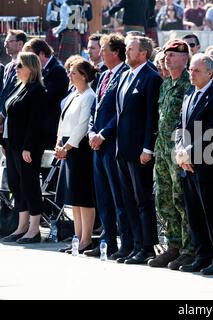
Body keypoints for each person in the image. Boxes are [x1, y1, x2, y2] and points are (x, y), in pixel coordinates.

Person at [175, 53, 213, 275]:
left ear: (210, 73)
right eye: (191, 70)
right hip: (188, 164)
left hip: (208, 164)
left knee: (212, 213)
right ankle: (202, 255)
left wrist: (189, 152)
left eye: (197, 70)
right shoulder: (190, 94)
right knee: (194, 213)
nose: (192, 73)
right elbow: (181, 126)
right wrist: (180, 151)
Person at [115, 36, 162, 264]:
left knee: (143, 199)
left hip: (140, 150)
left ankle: (147, 246)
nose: (126, 51)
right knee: (128, 199)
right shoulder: (125, 75)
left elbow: (151, 117)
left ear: (143, 53)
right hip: (122, 148)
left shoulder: (151, 77)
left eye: (131, 48)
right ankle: (134, 244)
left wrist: (147, 147)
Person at [85, 33, 132, 259]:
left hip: (112, 143)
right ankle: (107, 240)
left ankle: (125, 242)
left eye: (104, 50)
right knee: (102, 195)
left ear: (115, 52)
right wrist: (92, 131)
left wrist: (103, 134)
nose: (100, 53)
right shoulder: (103, 75)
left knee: (117, 196)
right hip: (97, 145)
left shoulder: (124, 74)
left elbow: (119, 112)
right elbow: (96, 109)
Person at [149, 40, 194, 270]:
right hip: (162, 151)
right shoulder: (166, 85)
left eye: (174, 54)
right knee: (163, 200)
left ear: (185, 58)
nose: (168, 58)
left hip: (178, 152)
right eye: (166, 54)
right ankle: (173, 246)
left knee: (181, 200)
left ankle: (189, 249)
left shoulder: (189, 84)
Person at [0, 52, 47, 244]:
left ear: (30, 67)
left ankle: (34, 229)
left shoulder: (37, 90)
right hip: (12, 145)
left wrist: (28, 147)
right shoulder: (19, 87)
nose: (16, 69)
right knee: (16, 185)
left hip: (26, 148)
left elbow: (36, 123)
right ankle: (21, 227)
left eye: (20, 66)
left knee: (30, 186)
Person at [55, 57, 96, 254]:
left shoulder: (89, 96)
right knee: (74, 198)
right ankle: (78, 238)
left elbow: (82, 125)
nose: (69, 75)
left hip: (79, 149)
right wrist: (58, 143)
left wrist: (68, 146)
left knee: (84, 196)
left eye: (73, 72)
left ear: (84, 76)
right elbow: (63, 120)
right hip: (67, 147)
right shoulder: (73, 95)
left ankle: (86, 239)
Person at [22, 38, 69, 151]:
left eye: (32, 56)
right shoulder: (42, 69)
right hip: (41, 126)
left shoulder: (57, 70)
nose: (30, 60)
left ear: (42, 54)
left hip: (50, 128)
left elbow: (46, 97)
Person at [0, 30, 27, 143]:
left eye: (9, 41)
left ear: (20, 44)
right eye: (5, 41)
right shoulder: (8, 67)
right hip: (4, 121)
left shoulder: (25, 66)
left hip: (16, 122)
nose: (5, 44)